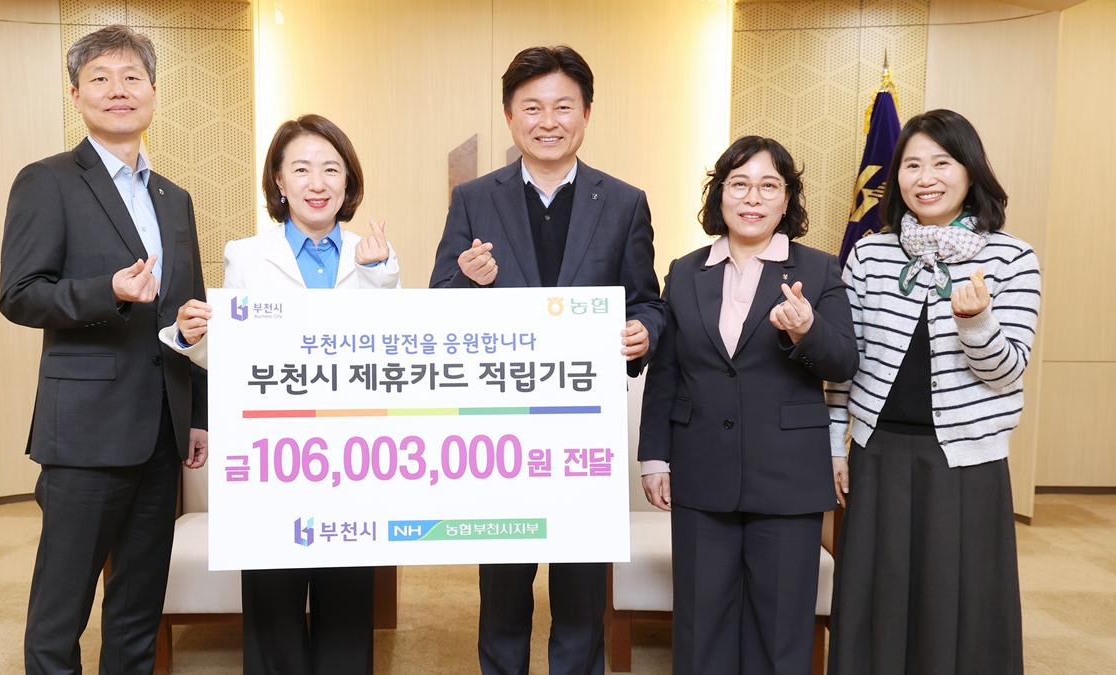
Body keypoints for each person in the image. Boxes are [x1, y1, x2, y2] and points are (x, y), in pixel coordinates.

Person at [429, 45, 666, 675]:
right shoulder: (474, 198)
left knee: (581, 597)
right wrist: (466, 279)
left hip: (583, 433)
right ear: (510, 116)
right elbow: (437, 307)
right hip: (501, 431)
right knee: (503, 595)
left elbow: (648, 301)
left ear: (586, 113)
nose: (548, 121)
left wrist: (642, 332)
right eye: (531, 107)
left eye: (563, 106)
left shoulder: (624, 202)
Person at [0, 25, 207, 675]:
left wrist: (198, 415)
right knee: (61, 610)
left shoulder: (175, 197)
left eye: (132, 77)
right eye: (101, 78)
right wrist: (106, 291)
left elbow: (190, 313)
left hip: (162, 431)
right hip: (85, 434)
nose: (119, 90)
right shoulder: (47, 181)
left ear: (153, 92)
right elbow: (20, 295)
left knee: (138, 607)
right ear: (76, 96)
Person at [160, 114, 398, 675]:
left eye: (331, 169)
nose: (317, 183)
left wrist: (380, 275)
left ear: (348, 181)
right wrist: (192, 338)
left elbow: (393, 355)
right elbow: (233, 353)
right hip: (271, 457)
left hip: (352, 460)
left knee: (347, 607)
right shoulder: (245, 254)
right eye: (302, 169)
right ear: (279, 181)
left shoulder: (375, 255)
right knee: (273, 609)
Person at [826, 109, 1039, 675]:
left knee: (958, 604)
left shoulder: (1012, 257)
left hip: (966, 462)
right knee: (874, 601)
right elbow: (845, 363)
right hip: (877, 453)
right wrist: (833, 443)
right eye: (912, 165)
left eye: (941, 163)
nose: (926, 178)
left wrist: (977, 323)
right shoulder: (869, 254)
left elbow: (1007, 372)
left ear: (970, 170)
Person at [638, 136, 858, 675]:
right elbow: (667, 372)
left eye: (768, 186)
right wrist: (654, 456)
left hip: (787, 476)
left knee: (781, 632)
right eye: (739, 184)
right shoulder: (685, 271)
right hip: (700, 467)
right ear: (719, 195)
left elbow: (843, 362)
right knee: (700, 625)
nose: (752, 198)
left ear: (787, 200)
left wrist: (806, 329)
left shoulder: (820, 269)